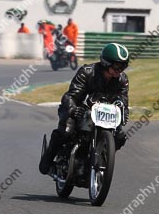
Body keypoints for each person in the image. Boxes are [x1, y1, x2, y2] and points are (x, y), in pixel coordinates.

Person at [39, 42, 130, 174]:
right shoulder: (87, 72)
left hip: (103, 114)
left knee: (120, 136)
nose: (120, 70)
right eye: (117, 66)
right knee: (67, 130)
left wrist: (124, 114)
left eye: (123, 66)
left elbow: (123, 101)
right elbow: (70, 96)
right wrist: (73, 109)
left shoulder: (122, 80)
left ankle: (101, 156)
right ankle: (48, 157)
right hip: (79, 109)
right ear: (106, 63)